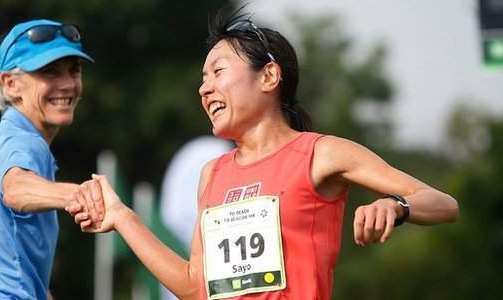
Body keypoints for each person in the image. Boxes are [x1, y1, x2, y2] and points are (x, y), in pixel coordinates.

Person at [68, 8, 459, 300]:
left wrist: (396, 206)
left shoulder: (319, 154)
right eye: (203, 79)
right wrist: (122, 217)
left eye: (218, 72)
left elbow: (443, 203)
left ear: (269, 77)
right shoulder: (212, 174)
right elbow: (195, 286)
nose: (204, 89)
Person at [0, 19, 102, 299]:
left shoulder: (5, 139)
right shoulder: (22, 141)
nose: (67, 84)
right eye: (50, 72)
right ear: (11, 84)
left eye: (73, 71)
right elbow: (16, 189)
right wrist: (82, 194)